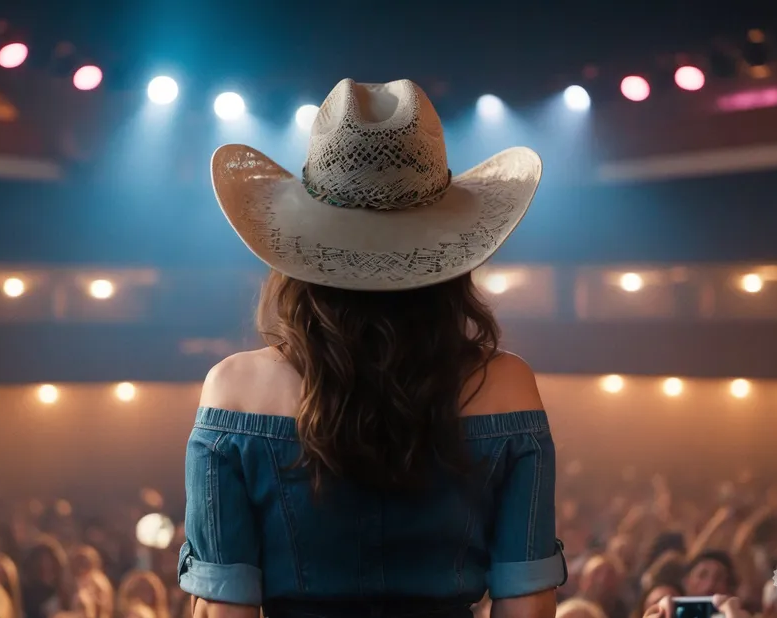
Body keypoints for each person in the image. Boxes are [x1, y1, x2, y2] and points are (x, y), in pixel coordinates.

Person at [178, 79, 562, 618]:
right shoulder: (506, 384)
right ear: (449, 256)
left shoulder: (235, 389)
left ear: (300, 252)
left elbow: (224, 613)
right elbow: (528, 606)